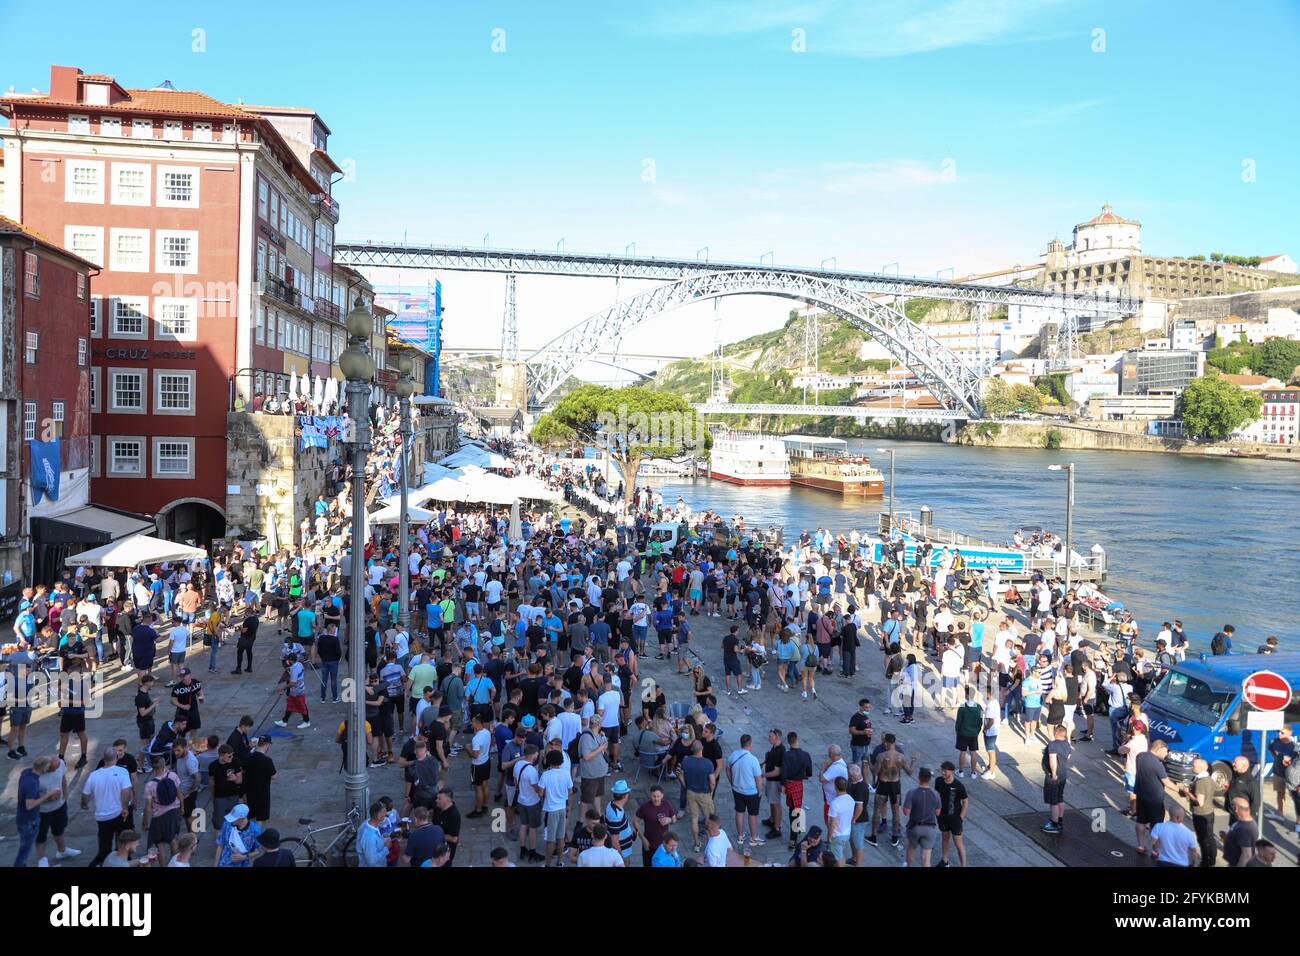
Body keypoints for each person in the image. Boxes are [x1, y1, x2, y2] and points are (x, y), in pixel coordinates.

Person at [81, 749, 133, 867]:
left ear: (103, 759)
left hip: (103, 817)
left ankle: (100, 863)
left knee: (105, 847)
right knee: (123, 843)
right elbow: (126, 791)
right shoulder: (122, 771)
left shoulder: (94, 775)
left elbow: (85, 794)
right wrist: (125, 808)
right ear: (116, 758)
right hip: (119, 814)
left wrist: (84, 804)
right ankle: (124, 862)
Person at [725, 733, 765, 848]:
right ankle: (753, 837)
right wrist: (760, 791)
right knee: (752, 815)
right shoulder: (753, 760)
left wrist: (732, 782)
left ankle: (741, 836)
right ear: (750, 744)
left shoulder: (733, 755)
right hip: (751, 792)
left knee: (739, 812)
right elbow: (758, 779)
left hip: (737, 790)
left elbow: (727, 769)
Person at [901, 767, 942, 867]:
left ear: (919, 778)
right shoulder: (935, 794)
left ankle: (909, 865)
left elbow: (906, 812)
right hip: (930, 828)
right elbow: (938, 813)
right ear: (929, 779)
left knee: (911, 847)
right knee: (926, 856)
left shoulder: (911, 793)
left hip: (914, 827)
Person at [935, 761, 969, 867]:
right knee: (945, 838)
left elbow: (966, 801)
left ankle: (963, 865)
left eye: (945, 771)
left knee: (958, 843)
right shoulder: (939, 781)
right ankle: (945, 861)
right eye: (942, 770)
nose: (943, 773)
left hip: (955, 819)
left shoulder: (958, 786)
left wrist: (961, 817)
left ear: (952, 771)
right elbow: (936, 795)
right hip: (943, 817)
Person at [1041, 724, 1071, 834]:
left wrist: (1053, 774)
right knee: (1059, 798)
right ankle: (1059, 820)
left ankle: (1054, 824)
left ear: (1056, 733)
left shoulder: (1052, 745)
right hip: (1063, 773)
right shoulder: (1067, 744)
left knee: (1053, 800)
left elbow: (1052, 760)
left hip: (1054, 776)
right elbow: (1067, 757)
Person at [1220, 797, 1258, 867]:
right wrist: (1227, 837)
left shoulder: (1245, 829)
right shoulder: (1242, 822)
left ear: (1236, 809)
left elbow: (1246, 854)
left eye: (1232, 805)